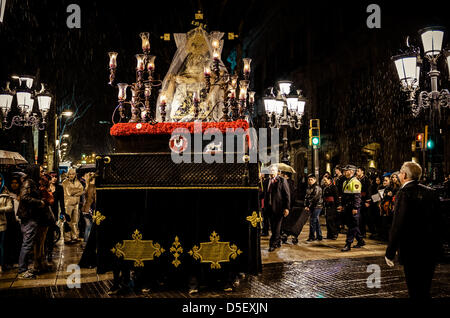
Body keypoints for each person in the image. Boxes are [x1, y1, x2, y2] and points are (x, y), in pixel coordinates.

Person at [385, 162, 443, 298]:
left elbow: (398, 224)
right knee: (425, 288)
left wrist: (390, 251)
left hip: (412, 248)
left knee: (414, 288)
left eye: (400, 172)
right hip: (429, 249)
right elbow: (439, 222)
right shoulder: (431, 192)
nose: (399, 174)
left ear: (404, 175)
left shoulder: (404, 193)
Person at [17, 164, 45, 279]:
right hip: (29, 217)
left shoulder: (31, 182)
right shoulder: (29, 182)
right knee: (27, 244)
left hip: (29, 216)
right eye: (40, 171)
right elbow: (24, 197)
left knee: (27, 243)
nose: (42, 173)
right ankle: (22, 270)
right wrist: (39, 202)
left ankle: (23, 269)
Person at [337, 165, 365, 252]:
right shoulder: (345, 182)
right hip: (348, 207)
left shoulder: (355, 182)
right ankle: (360, 241)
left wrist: (355, 207)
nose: (345, 172)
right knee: (351, 225)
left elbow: (357, 197)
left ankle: (348, 244)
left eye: (347, 170)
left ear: (352, 171)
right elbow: (344, 196)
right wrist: (342, 205)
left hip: (353, 207)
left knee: (352, 226)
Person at [262, 165, 290, 252]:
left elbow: (287, 195)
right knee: (273, 227)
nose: (271, 173)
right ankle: (278, 241)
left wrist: (287, 208)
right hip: (269, 208)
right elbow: (264, 194)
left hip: (279, 208)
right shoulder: (266, 181)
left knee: (276, 227)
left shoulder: (282, 180)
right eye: (270, 171)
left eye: (273, 171)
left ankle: (272, 244)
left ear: (277, 172)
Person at [46, 172, 65, 262]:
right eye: (52, 177)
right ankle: (44, 251)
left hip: (54, 213)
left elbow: (61, 202)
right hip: (44, 213)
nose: (54, 178)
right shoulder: (44, 188)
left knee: (51, 233)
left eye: (56, 177)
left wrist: (63, 213)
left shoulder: (60, 188)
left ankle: (49, 252)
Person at [62, 168, 84, 244]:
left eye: (73, 174)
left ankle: (74, 236)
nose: (71, 175)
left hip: (76, 204)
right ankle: (67, 238)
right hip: (68, 204)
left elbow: (82, 190)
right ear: (68, 174)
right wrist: (77, 191)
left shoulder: (78, 182)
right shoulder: (65, 182)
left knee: (75, 221)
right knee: (68, 221)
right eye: (70, 174)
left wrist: (76, 192)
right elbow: (69, 192)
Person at [0, 173, 14, 273]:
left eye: (0, 180)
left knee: (0, 245)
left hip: (1, 223)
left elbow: (10, 207)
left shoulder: (5, 193)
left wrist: (0, 209)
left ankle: (1, 264)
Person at [304, 174, 323, 242]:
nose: (310, 181)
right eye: (309, 180)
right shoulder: (309, 187)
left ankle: (312, 237)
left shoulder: (317, 188)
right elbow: (306, 197)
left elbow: (315, 198)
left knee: (312, 221)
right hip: (312, 206)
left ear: (315, 180)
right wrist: (306, 205)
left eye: (311, 179)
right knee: (316, 221)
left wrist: (309, 206)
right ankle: (319, 236)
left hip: (317, 206)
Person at [322, 174, 340, 240]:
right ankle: (329, 234)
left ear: (329, 180)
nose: (324, 182)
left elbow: (336, 197)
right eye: (324, 180)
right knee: (327, 220)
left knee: (332, 220)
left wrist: (337, 206)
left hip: (333, 205)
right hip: (327, 205)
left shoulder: (334, 187)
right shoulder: (325, 188)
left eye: (325, 180)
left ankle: (334, 234)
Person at [356, 167, 372, 238]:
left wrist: (367, 201)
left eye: (358, 171)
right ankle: (359, 232)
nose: (357, 172)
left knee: (363, 217)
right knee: (359, 217)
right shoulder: (356, 179)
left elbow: (369, 191)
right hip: (358, 199)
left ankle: (363, 232)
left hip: (364, 199)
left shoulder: (366, 180)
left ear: (362, 172)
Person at [81, 172, 96, 244]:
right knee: (90, 227)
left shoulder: (87, 186)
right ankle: (88, 242)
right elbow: (94, 200)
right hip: (90, 209)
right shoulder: (93, 188)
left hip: (85, 209)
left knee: (87, 226)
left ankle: (85, 241)